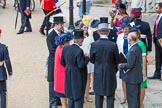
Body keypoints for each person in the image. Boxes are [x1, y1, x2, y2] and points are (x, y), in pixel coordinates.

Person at [90, 23, 119, 108]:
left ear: (99, 33)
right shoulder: (113, 45)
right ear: (108, 32)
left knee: (98, 94)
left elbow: (92, 59)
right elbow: (116, 60)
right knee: (110, 95)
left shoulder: (94, 44)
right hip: (110, 70)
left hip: (98, 70)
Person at [60, 29, 89, 108]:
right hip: (77, 77)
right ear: (80, 40)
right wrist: (86, 58)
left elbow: (62, 62)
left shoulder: (65, 49)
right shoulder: (79, 51)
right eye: (82, 39)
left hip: (68, 75)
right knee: (78, 98)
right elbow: (81, 65)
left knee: (71, 98)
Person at [118, 26, 143, 108]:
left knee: (132, 99)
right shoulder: (138, 47)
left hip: (132, 78)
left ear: (130, 40)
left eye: (128, 38)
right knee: (136, 98)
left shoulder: (132, 50)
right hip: (137, 77)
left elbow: (129, 65)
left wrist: (121, 65)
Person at [46, 16, 65, 108]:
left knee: (60, 81)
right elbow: (51, 49)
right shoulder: (51, 35)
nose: (62, 26)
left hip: (61, 62)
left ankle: (59, 99)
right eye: (61, 24)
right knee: (52, 81)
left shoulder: (63, 33)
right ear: (56, 25)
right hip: (54, 61)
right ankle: (52, 102)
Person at [54, 32, 73, 108]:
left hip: (59, 73)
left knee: (62, 96)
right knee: (65, 93)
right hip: (63, 74)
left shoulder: (58, 48)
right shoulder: (63, 50)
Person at [79, 21, 94, 103]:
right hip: (81, 58)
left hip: (88, 59)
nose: (85, 29)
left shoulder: (90, 37)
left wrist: (89, 53)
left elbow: (93, 47)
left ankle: (87, 95)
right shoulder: (78, 36)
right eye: (84, 27)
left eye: (86, 27)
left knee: (88, 78)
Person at [116, 21, 130, 104]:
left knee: (130, 79)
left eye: (126, 29)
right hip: (122, 59)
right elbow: (117, 48)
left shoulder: (131, 36)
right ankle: (125, 97)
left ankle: (130, 95)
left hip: (130, 59)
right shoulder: (120, 36)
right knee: (123, 79)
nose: (124, 31)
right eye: (123, 29)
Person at [148, 2, 162, 80]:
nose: (155, 9)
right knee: (158, 57)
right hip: (156, 39)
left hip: (161, 39)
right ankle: (157, 74)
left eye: (157, 8)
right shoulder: (158, 17)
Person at [0, 29, 13, 108]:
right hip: (1, 72)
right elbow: (7, 61)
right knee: (3, 92)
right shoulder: (3, 47)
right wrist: (10, 73)